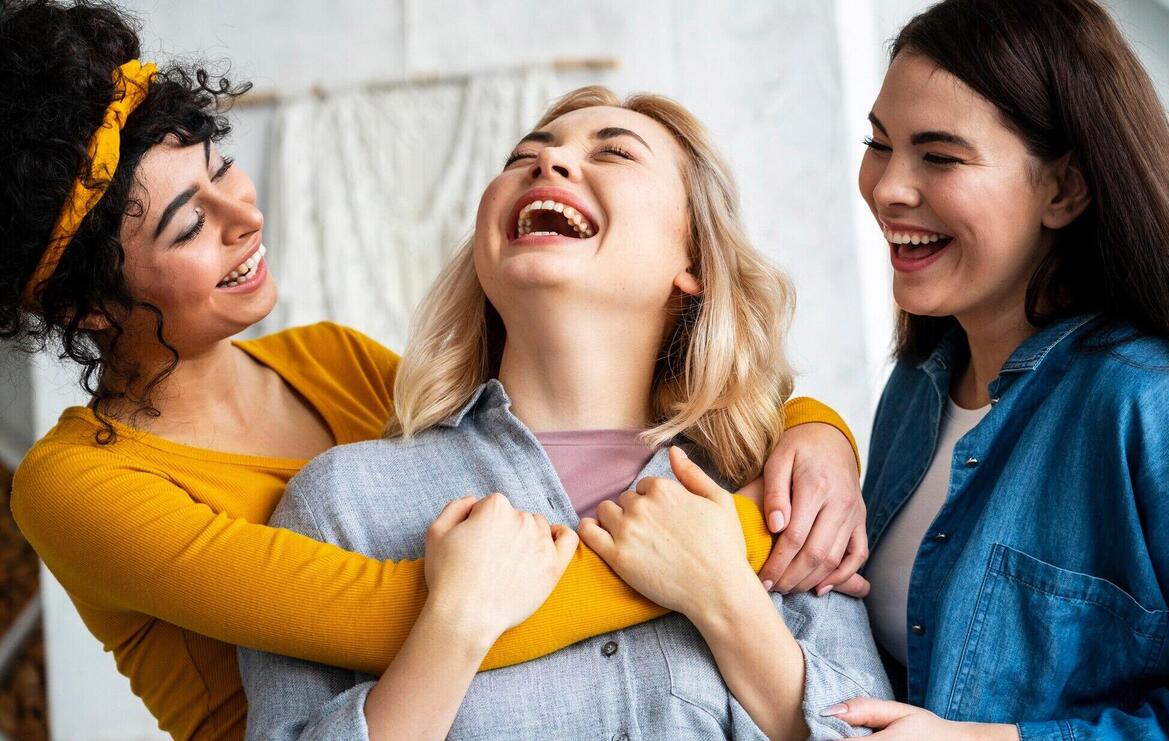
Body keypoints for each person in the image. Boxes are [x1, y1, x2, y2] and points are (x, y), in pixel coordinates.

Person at [1, 1, 868, 738]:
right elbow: (380, 612)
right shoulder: (83, 485)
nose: (244, 215)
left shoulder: (332, 361)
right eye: (188, 227)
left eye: (224, 167)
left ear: (695, 260)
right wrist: (739, 547)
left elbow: (493, 398)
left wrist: (816, 429)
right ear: (88, 306)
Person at [238, 86, 891, 741]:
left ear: (691, 258)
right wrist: (453, 626)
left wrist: (726, 598)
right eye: (524, 156)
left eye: (615, 154)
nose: (546, 166)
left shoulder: (781, 497)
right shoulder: (345, 502)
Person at [823, 0, 1169, 738]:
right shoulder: (918, 385)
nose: (888, 188)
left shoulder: (1148, 402)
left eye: (940, 155)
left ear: (1064, 189)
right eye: (880, 143)